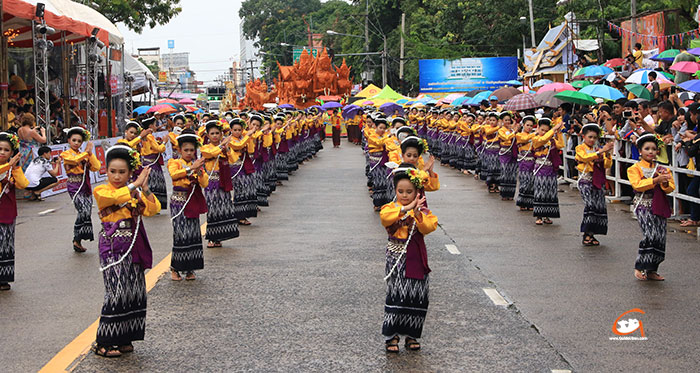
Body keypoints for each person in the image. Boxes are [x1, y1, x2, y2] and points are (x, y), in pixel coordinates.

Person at [92, 145, 160, 357]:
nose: (117, 176)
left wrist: (145, 188)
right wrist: (134, 186)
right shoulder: (102, 190)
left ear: (130, 172)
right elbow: (110, 200)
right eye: (113, 171)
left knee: (134, 290)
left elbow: (153, 209)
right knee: (117, 290)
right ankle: (103, 341)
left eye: (122, 172)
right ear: (106, 171)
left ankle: (124, 338)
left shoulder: (135, 192)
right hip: (113, 246)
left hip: (133, 244)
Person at [380, 164, 438, 353]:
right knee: (397, 293)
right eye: (400, 191)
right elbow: (385, 218)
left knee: (417, 295)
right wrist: (407, 208)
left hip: (416, 257)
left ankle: (412, 334)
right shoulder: (391, 208)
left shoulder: (423, 211)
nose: (404, 195)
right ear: (395, 190)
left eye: (409, 192)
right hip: (396, 257)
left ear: (417, 192)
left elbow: (429, 227)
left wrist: (417, 213)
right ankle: (392, 336)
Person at [627, 133, 675, 281]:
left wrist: (664, 182)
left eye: (653, 149)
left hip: (659, 204)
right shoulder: (634, 168)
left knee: (660, 236)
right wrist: (655, 180)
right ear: (640, 151)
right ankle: (640, 265)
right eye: (647, 148)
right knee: (650, 234)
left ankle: (652, 269)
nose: (650, 151)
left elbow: (670, 188)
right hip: (643, 205)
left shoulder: (662, 168)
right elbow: (637, 185)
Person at [168, 131, 208, 281]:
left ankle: (190, 268)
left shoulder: (197, 164)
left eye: (192, 150)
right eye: (186, 150)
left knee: (193, 233)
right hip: (179, 202)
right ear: (179, 150)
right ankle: (175, 268)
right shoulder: (174, 162)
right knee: (181, 234)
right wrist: (191, 169)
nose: (189, 153)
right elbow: (174, 175)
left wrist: (200, 172)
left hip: (193, 200)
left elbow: (205, 183)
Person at [60, 127, 100, 252]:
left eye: (79, 141)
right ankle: (76, 239)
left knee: (87, 213)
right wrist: (86, 153)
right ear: (69, 140)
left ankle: (78, 240)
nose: (76, 143)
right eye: (74, 140)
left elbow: (96, 167)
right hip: (74, 186)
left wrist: (90, 154)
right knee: (83, 211)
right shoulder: (66, 154)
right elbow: (73, 161)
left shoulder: (83, 154)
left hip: (85, 186)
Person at [201, 120, 239, 248]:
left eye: (217, 133)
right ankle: (211, 237)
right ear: (207, 135)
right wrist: (220, 147)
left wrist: (226, 148)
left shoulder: (224, 147)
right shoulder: (205, 147)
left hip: (223, 181)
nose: (215, 136)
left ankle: (220, 237)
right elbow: (208, 154)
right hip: (211, 181)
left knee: (223, 207)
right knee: (212, 209)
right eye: (212, 133)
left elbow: (234, 159)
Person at [575, 124, 614, 246]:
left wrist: (607, 154)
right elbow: (584, 158)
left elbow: (607, 165)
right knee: (590, 205)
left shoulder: (597, 149)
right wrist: (601, 152)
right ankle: (586, 233)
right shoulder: (580, 148)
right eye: (590, 137)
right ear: (584, 136)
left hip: (597, 181)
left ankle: (592, 233)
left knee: (599, 206)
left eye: (594, 137)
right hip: (586, 180)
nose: (592, 140)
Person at [0, 132, 28, 291]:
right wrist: (9, 165)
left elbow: (23, 184)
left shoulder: (13, 168)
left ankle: (4, 278)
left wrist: (15, 168)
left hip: (8, 210)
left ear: (12, 153)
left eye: (6, 150)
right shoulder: (6, 167)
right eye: (0, 149)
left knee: (6, 243)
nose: (2, 152)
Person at [532, 118, 565, 225]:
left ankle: (547, 215)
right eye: (542, 130)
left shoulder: (551, 140)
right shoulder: (536, 138)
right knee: (540, 190)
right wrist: (553, 130)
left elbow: (561, 145)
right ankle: (539, 215)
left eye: (546, 130)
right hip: (540, 167)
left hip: (550, 168)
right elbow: (542, 140)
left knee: (550, 191)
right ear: (537, 128)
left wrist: (558, 132)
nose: (544, 132)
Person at [139, 117, 168, 209]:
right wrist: (164, 142)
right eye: (155, 124)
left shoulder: (144, 136)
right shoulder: (149, 136)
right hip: (152, 164)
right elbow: (159, 149)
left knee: (148, 183)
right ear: (150, 126)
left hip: (146, 162)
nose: (157, 126)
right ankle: (154, 205)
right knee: (155, 184)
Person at [515, 115, 536, 211]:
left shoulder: (534, 135)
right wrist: (535, 133)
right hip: (524, 160)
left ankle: (530, 202)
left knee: (532, 181)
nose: (529, 127)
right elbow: (524, 139)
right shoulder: (519, 135)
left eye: (531, 126)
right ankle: (522, 202)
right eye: (527, 125)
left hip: (532, 160)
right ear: (523, 125)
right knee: (524, 181)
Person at [497, 111, 518, 201]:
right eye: (506, 120)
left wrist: (514, 130)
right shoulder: (500, 130)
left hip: (512, 153)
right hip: (505, 152)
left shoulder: (511, 130)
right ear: (502, 121)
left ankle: (511, 193)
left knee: (512, 173)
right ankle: (504, 193)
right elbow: (506, 138)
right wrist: (514, 132)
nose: (508, 122)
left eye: (509, 120)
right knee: (505, 172)